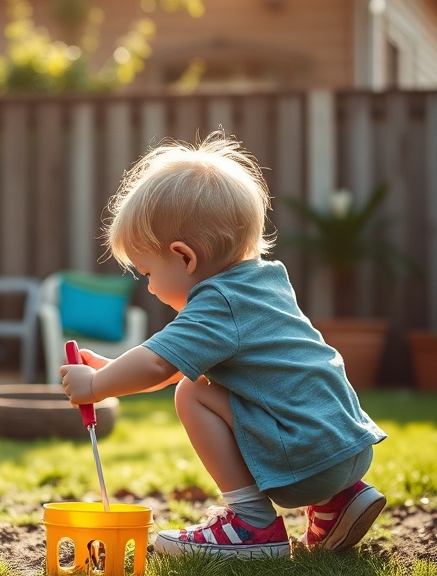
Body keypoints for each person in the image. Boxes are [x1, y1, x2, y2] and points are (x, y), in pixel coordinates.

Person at [60, 131, 387, 559]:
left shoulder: (219, 302)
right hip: (347, 448)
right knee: (197, 381)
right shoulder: (265, 282)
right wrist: (112, 370)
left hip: (306, 462)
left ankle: (252, 524)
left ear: (185, 257)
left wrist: (93, 387)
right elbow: (173, 362)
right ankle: (338, 501)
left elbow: (160, 365)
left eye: (148, 273)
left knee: (191, 393)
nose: (151, 287)